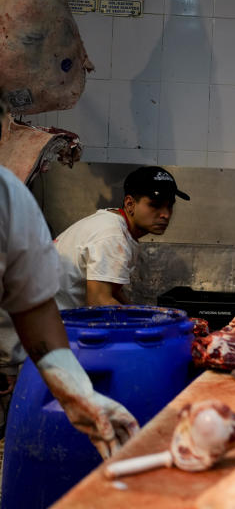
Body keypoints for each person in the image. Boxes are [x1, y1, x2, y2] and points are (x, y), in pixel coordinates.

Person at [0, 163, 138, 457]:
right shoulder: (110, 232)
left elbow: (34, 308)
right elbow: (100, 302)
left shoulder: (11, 198)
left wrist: (78, 394)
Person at [54, 165, 190, 310]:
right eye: (155, 205)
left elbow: (111, 291)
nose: (166, 214)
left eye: (169, 206)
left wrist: (142, 313)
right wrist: (144, 322)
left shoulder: (116, 226)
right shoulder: (112, 235)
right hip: (55, 323)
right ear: (130, 204)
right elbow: (98, 302)